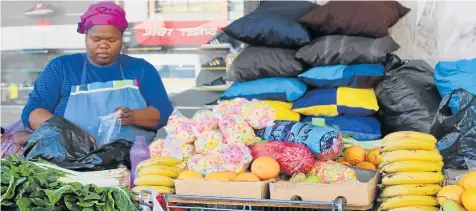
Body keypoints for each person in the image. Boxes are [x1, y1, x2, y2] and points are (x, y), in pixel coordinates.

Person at [21, 2, 173, 144]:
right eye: (96, 39)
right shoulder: (62, 68)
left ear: (121, 39)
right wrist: (68, 132)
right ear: (86, 37)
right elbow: (32, 112)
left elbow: (164, 113)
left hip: (132, 161)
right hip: (69, 162)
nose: (104, 45)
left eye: (112, 39)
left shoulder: (141, 69)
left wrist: (133, 116)